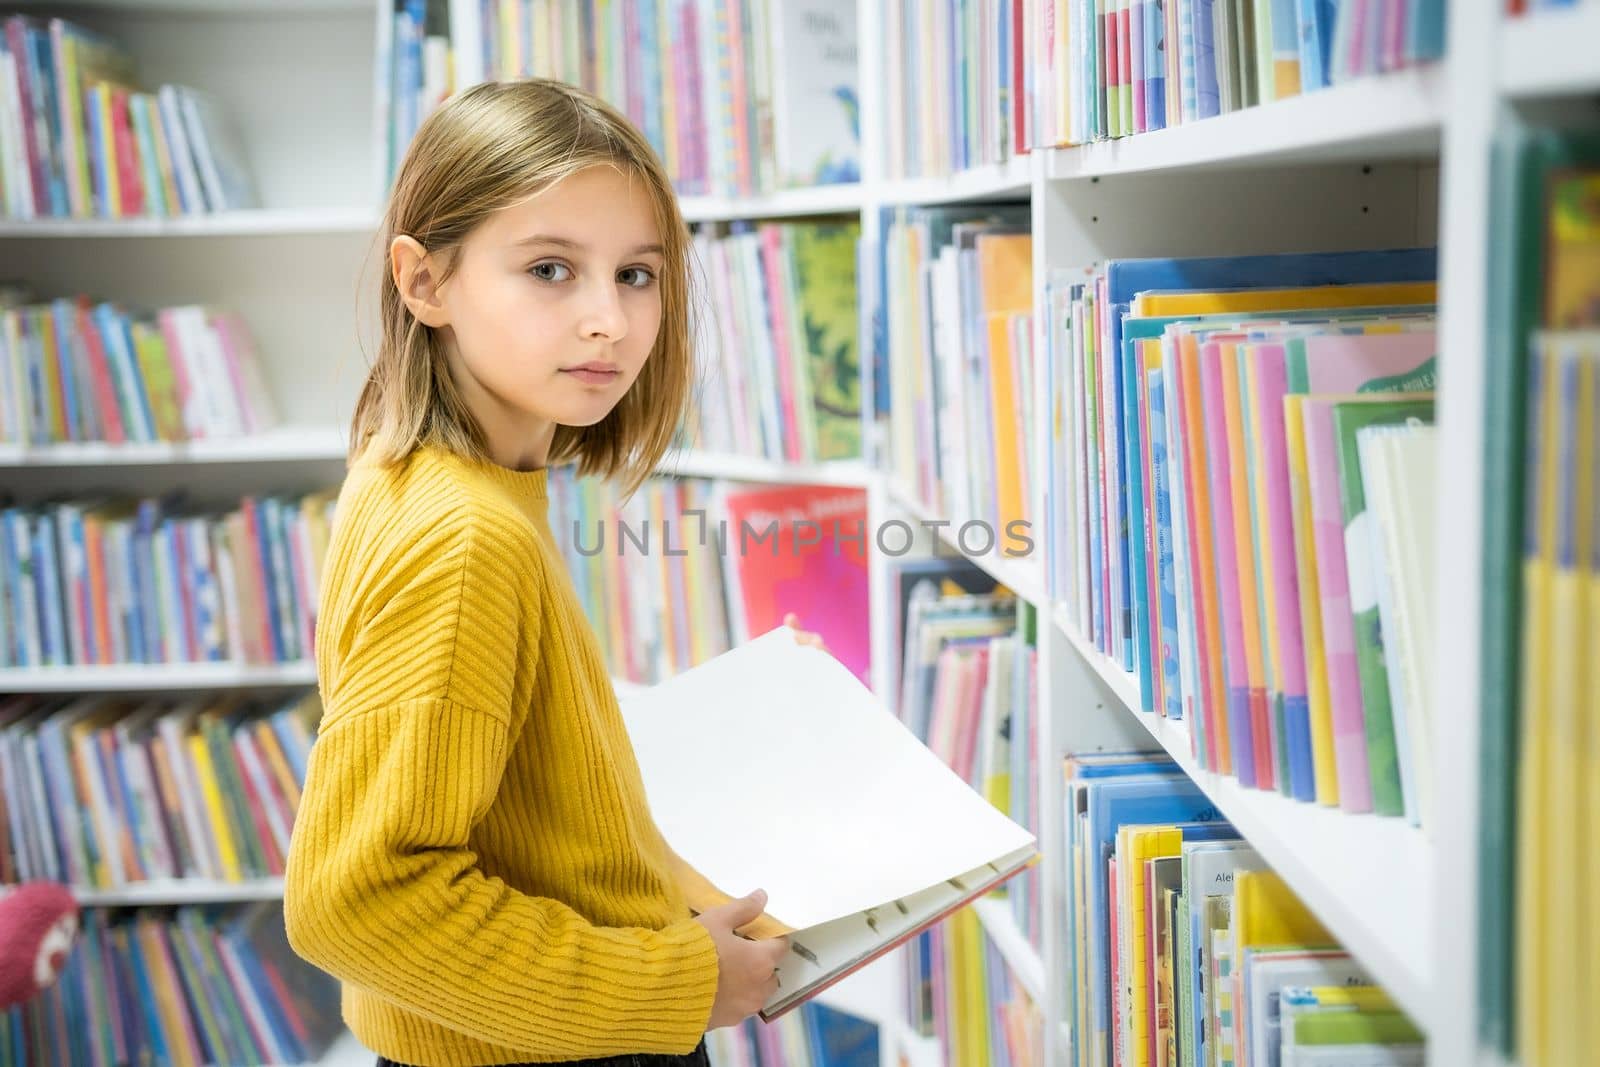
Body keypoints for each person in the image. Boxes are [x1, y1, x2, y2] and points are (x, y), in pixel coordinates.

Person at [282, 78, 818, 1067]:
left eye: (637, 275)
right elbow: (355, 899)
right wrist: (681, 981)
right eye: (549, 269)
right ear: (424, 281)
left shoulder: (428, 475)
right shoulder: (465, 536)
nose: (608, 320)